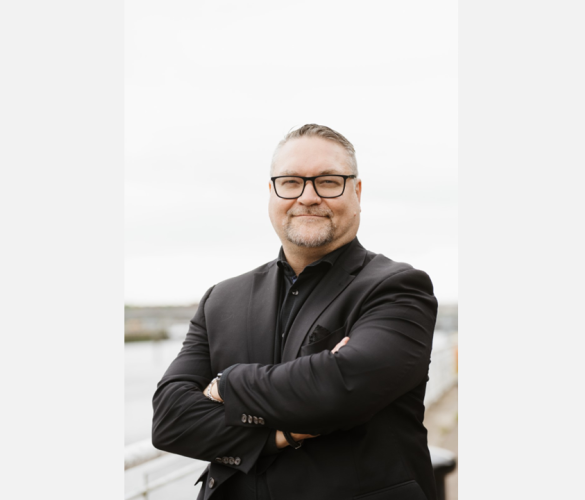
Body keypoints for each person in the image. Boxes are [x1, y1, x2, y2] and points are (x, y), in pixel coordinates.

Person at [152, 124, 439, 500]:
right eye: (291, 182)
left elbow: (340, 389)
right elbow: (171, 420)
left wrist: (228, 384)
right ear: (272, 192)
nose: (308, 196)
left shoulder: (398, 287)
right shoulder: (220, 299)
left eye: (328, 181)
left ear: (356, 190)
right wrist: (280, 434)